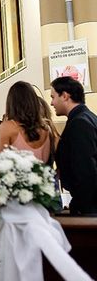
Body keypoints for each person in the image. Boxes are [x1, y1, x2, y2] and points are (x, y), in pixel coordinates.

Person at [50, 76, 97, 215]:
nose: (52, 103)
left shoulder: (79, 123)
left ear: (65, 96)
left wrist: (81, 207)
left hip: (89, 208)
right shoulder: (88, 117)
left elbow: (86, 169)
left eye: (53, 97)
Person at [0, 81, 54, 163]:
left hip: (16, 175)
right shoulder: (46, 129)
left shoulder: (7, 127)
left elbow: (2, 161)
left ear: (11, 103)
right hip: (42, 175)